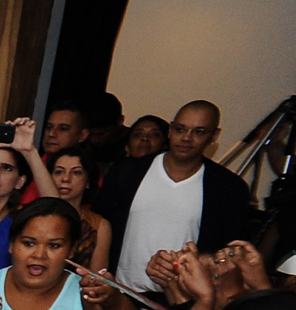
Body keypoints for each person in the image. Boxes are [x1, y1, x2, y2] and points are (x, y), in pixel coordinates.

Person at [94, 100, 258, 291]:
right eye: (181, 129)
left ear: (214, 135)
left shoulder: (228, 188)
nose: (187, 138)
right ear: (170, 131)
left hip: (185, 298)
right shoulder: (128, 172)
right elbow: (99, 226)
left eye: (198, 132)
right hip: (120, 290)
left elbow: (230, 250)